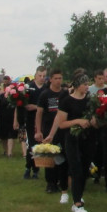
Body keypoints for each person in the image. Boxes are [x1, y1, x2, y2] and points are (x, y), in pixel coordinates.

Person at [55, 74, 98, 212]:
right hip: (72, 139)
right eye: (85, 84)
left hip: (88, 138)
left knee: (85, 169)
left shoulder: (90, 101)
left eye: (88, 84)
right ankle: (77, 203)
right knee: (76, 168)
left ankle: (78, 195)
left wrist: (93, 122)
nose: (87, 87)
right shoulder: (67, 101)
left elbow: (94, 119)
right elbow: (62, 124)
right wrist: (78, 121)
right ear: (77, 85)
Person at [35, 69, 69, 202]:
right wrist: (38, 130)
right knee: (50, 157)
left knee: (62, 156)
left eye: (60, 78)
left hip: (63, 129)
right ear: (51, 79)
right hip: (49, 129)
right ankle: (51, 183)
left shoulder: (65, 94)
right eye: (56, 78)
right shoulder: (45, 94)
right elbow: (39, 113)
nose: (58, 81)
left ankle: (63, 181)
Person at [22, 68, 47, 179]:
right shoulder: (29, 87)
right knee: (31, 145)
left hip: (43, 120)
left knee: (39, 145)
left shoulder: (47, 88)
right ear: (35, 75)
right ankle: (28, 167)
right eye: (40, 75)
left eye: (44, 76)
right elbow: (23, 104)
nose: (42, 78)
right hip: (31, 119)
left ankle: (36, 169)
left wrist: (36, 107)